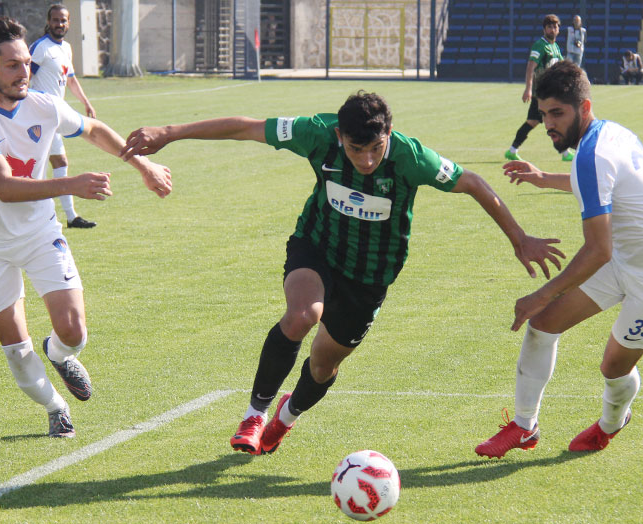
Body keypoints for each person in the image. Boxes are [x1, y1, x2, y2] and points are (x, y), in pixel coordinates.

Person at [119, 91, 566, 456]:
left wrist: (519, 237)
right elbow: (247, 127)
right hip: (317, 246)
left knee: (323, 364)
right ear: (339, 135)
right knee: (302, 316)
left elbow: (472, 182)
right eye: (356, 149)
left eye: (376, 148)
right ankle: (255, 415)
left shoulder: (412, 158)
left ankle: (284, 419)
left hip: (370, 276)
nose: (367, 160)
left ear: (388, 135)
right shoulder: (317, 133)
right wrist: (169, 133)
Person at [0, 17, 172, 438]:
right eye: (13, 65)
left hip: (38, 232)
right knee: (16, 350)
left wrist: (141, 164)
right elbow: (2, 186)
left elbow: (93, 130)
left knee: (73, 331)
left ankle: (57, 353)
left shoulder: (43, 104)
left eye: (27, 64)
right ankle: (55, 407)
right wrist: (70, 184)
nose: (25, 73)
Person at [476, 61, 643, 457]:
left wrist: (541, 293)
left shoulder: (592, 154)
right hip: (628, 260)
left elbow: (599, 250)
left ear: (585, 107)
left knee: (612, 367)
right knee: (543, 325)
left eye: (557, 113)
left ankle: (612, 422)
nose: (548, 124)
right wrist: (545, 178)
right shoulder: (610, 134)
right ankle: (524, 427)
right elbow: (600, 184)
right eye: (544, 114)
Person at [29, 4, 98, 228]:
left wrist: (86, 102)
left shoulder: (66, 48)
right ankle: (54, 216)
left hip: (55, 117)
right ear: (48, 22)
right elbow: (24, 77)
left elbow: (70, 79)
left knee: (55, 162)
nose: (59, 24)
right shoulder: (40, 48)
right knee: (34, 165)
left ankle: (70, 217)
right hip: (38, 116)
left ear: (69, 23)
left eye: (63, 20)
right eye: (56, 20)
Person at [505, 14, 575, 163]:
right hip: (542, 93)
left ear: (558, 30)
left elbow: (560, 67)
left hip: (550, 92)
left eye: (555, 26)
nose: (552, 29)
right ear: (544, 29)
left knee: (535, 121)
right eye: (549, 26)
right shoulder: (540, 45)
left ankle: (512, 150)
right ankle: (565, 152)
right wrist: (528, 88)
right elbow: (531, 65)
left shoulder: (555, 47)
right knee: (554, 119)